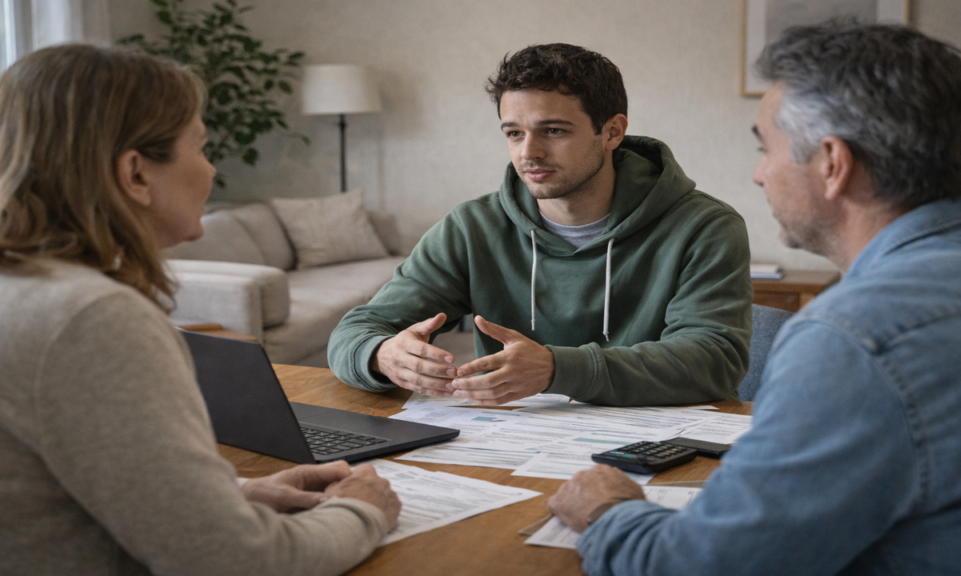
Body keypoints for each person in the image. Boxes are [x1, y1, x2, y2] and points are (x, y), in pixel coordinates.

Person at [547, 23, 961, 574]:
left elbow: (699, 568)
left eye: (764, 148)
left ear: (832, 163)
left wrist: (608, 511)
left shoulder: (853, 340)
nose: (758, 174)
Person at [0, 44, 400, 576]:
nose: (211, 173)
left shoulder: (23, 287)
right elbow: (237, 561)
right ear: (136, 174)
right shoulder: (92, 316)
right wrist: (362, 510)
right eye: (201, 148)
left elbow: (44, 485)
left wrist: (234, 495)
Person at [329, 43, 752, 407]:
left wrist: (557, 368)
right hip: (512, 441)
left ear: (612, 132)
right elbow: (355, 332)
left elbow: (713, 361)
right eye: (514, 133)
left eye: (553, 130)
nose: (529, 152)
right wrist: (381, 355)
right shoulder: (472, 227)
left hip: (656, 444)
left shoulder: (704, 227)